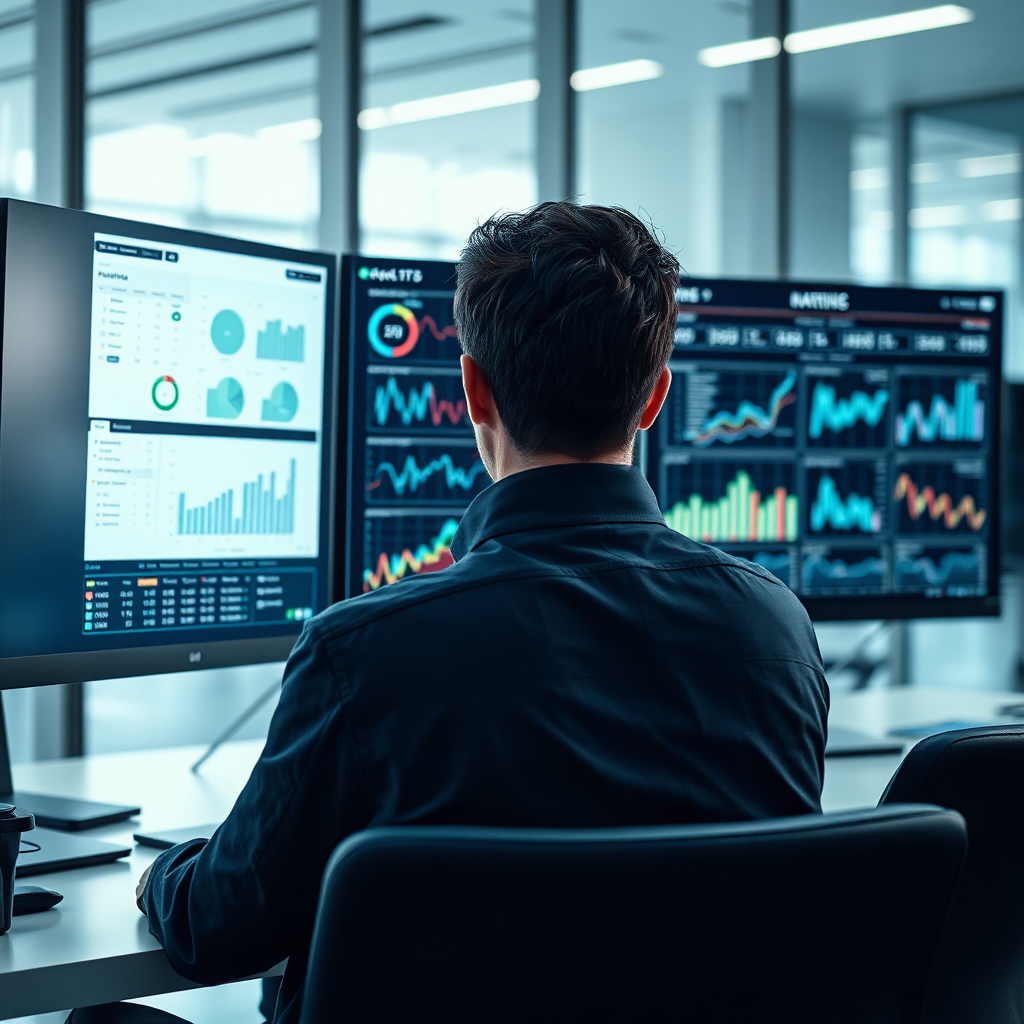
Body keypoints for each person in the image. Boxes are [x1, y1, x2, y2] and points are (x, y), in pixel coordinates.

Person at [73, 202, 827, 1024]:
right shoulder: (775, 630)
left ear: (473, 390)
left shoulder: (362, 655)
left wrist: (165, 873)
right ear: (654, 398)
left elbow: (220, 931)